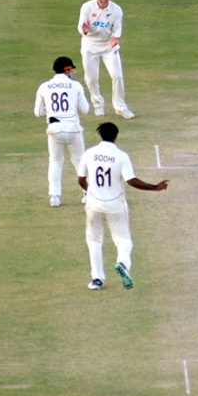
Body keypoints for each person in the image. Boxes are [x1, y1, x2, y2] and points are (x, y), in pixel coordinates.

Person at [77, 122, 169, 291]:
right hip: (115, 205)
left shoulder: (89, 153)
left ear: (100, 135)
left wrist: (91, 192)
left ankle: (96, 280)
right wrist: (155, 187)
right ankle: (122, 264)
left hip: (93, 205)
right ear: (116, 136)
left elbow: (81, 179)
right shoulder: (120, 156)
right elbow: (131, 180)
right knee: (124, 241)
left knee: (94, 241)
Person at [34, 56, 90, 207]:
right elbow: (85, 109)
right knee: (79, 160)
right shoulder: (76, 85)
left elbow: (38, 112)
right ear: (67, 70)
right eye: (70, 69)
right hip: (73, 128)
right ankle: (87, 193)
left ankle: (55, 197)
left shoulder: (44, 86)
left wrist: (51, 111)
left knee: (55, 162)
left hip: (54, 130)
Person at [77, 0, 135, 119]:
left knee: (117, 76)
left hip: (108, 46)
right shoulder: (87, 7)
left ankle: (120, 107)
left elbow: (117, 29)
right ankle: (98, 105)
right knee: (91, 79)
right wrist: (85, 29)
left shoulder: (116, 10)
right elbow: (81, 27)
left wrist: (115, 38)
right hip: (90, 45)